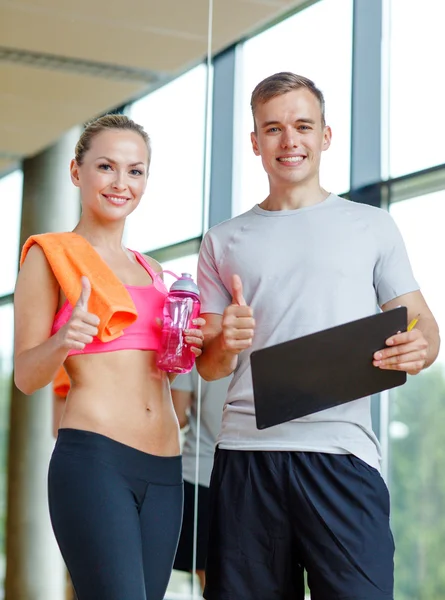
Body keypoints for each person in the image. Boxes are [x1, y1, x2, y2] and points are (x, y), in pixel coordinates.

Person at [196, 72, 440, 600]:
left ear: (325, 135)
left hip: (343, 454)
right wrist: (227, 341)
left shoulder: (372, 226)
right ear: (255, 141)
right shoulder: (222, 240)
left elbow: (422, 324)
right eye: (274, 129)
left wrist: (421, 347)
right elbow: (210, 366)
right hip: (247, 457)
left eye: (303, 127)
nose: (290, 142)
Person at [13, 114, 205, 600]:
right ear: (77, 173)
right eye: (106, 167)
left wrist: (195, 341)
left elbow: (166, 366)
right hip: (96, 462)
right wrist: (62, 342)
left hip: (166, 471)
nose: (121, 183)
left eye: (135, 171)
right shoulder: (50, 256)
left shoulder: (155, 270)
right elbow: (27, 377)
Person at [171, 368, 230, 591]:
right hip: (250, 470)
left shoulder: (194, 344)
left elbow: (177, 415)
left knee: (207, 573)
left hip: (201, 470)